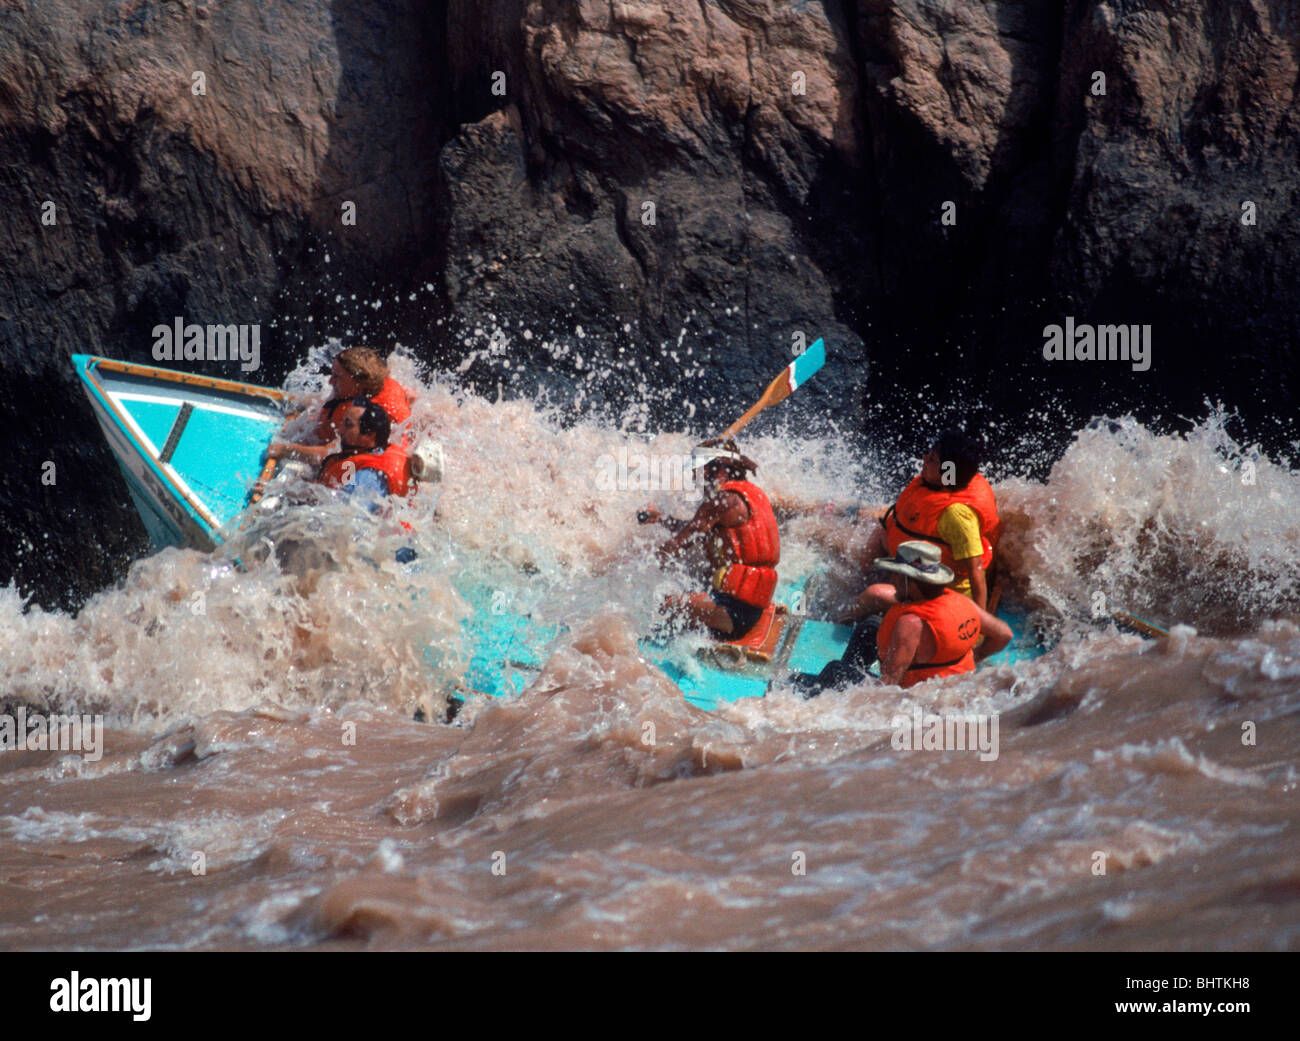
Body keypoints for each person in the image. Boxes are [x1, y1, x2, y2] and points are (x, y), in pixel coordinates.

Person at [797, 540, 1010, 694]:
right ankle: (840, 680)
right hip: (952, 684)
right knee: (871, 627)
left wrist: (847, 683)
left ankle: (818, 692)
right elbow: (1003, 635)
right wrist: (976, 656)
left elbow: (888, 688)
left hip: (916, 698)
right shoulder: (963, 603)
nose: (892, 579)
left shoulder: (910, 624)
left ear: (911, 582)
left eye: (896, 575)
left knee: (836, 671)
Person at [846, 428, 1001, 614]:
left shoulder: (956, 515)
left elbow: (975, 569)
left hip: (941, 589)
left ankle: (841, 619)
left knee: (874, 594)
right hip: (919, 570)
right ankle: (856, 583)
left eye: (932, 459)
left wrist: (978, 623)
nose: (924, 458)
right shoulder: (934, 486)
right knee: (880, 534)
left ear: (948, 472)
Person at [641, 444, 780, 640]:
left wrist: (641, 568)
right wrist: (661, 519)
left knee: (659, 602)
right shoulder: (751, 494)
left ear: (720, 469)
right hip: (750, 610)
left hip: (732, 612)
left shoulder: (721, 500)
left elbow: (678, 544)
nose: (695, 478)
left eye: (699, 471)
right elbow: (697, 528)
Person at [275, 346, 416, 465]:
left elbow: (327, 454)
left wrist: (284, 450)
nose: (330, 381)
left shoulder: (363, 416)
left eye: (337, 377)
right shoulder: (364, 390)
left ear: (359, 384)